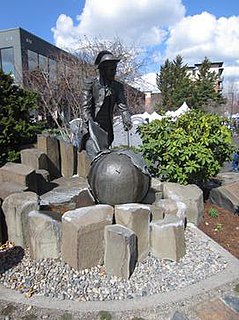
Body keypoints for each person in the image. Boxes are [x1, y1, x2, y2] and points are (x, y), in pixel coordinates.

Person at [80, 50, 132, 160]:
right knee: (95, 156)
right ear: (103, 71)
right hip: (93, 127)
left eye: (115, 69)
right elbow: (85, 107)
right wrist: (89, 125)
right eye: (111, 70)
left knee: (105, 156)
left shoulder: (117, 87)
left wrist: (126, 118)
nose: (114, 72)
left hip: (107, 128)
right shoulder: (90, 84)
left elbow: (122, 105)